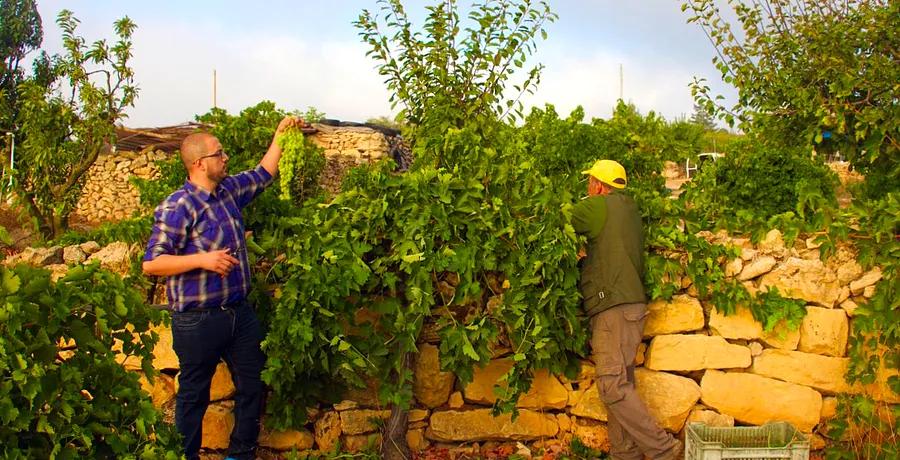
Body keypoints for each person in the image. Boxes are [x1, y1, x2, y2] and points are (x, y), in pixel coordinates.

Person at [142, 116, 304, 460]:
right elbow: (152, 263)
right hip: (198, 321)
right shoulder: (178, 206)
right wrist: (202, 260)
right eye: (220, 153)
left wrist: (280, 136)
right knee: (193, 396)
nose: (226, 158)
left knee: (253, 384)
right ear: (200, 163)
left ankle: (240, 453)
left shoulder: (228, 191)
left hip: (238, 313)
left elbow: (263, 175)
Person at [571, 159, 682, 460]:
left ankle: (663, 450)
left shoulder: (598, 206)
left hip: (613, 308)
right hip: (632, 307)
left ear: (598, 184)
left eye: (589, 182)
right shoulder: (630, 210)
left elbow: (561, 217)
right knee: (622, 383)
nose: (587, 187)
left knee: (611, 386)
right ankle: (625, 454)